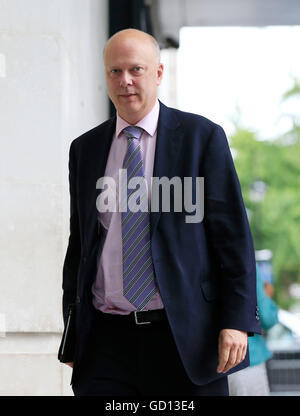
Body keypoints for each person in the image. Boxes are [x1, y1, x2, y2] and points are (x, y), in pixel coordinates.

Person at [59, 28, 261, 396]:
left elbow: (233, 239)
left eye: (136, 69)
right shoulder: (84, 150)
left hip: (185, 339)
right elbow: (81, 246)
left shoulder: (202, 139)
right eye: (115, 72)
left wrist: (237, 321)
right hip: (106, 344)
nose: (125, 81)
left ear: (158, 73)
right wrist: (74, 327)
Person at [228, 264, 278, 395]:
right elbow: (266, 317)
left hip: (204, 369)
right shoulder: (245, 260)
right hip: (246, 361)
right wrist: (266, 296)